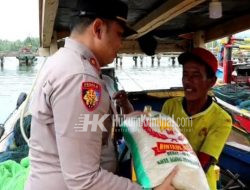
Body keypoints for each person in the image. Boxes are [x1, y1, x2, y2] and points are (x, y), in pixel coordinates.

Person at [25, 0, 176, 189]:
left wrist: (124, 120)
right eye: (119, 34)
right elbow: (84, 180)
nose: (121, 43)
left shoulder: (65, 62)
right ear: (98, 29)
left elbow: (76, 125)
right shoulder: (80, 77)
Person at [161, 47, 232, 190]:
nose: (187, 81)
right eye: (185, 74)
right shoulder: (170, 106)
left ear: (211, 82)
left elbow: (201, 165)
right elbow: (160, 147)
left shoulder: (222, 120)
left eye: (196, 75)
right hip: (167, 182)